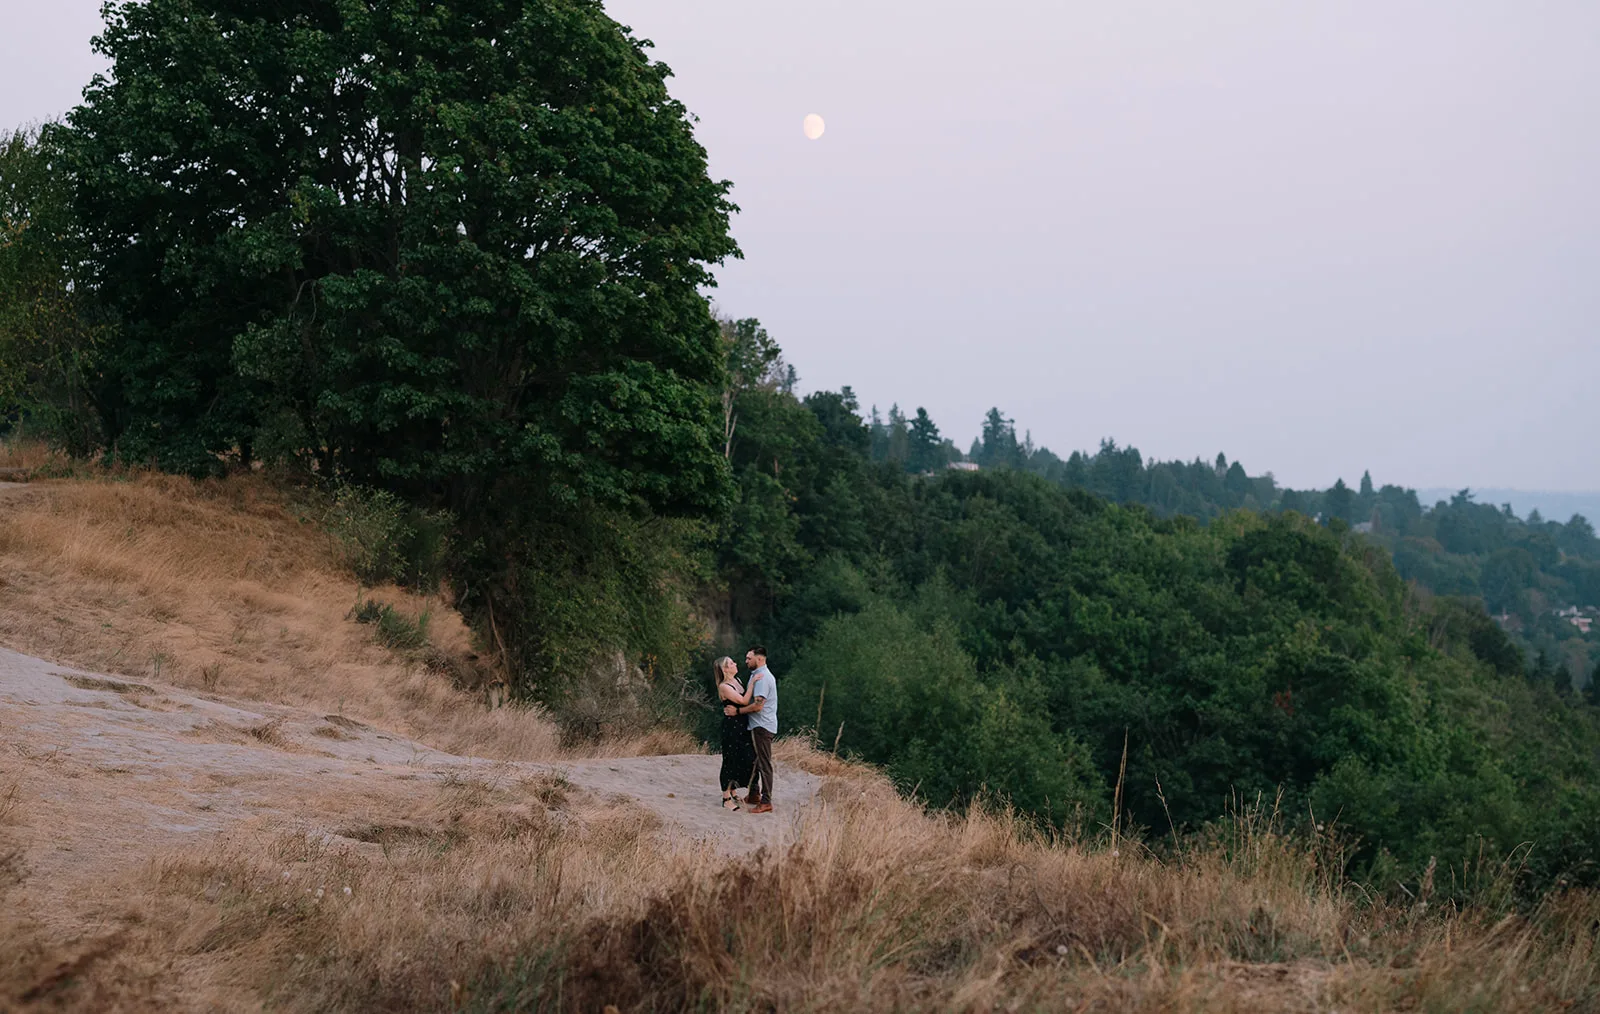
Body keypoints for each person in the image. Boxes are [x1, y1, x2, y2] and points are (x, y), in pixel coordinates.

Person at [725, 645, 777, 813]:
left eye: (749, 658)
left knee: (763, 763)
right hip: (756, 725)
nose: (746, 661)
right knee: (753, 760)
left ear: (759, 659)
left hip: (761, 726)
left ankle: (766, 801)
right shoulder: (756, 675)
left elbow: (758, 706)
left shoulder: (762, 678)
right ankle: (754, 793)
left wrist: (737, 711)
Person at [714, 655, 755, 810]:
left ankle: (733, 790)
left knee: (742, 758)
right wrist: (753, 684)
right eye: (731, 663)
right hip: (731, 727)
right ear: (725, 669)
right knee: (729, 760)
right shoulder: (724, 686)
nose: (735, 664)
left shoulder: (737, 681)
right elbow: (744, 701)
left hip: (742, 725)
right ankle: (726, 798)